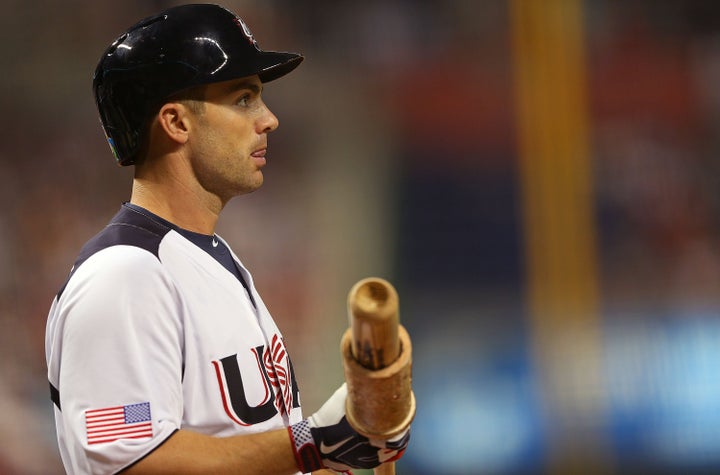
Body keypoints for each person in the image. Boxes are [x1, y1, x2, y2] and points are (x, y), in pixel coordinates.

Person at [44, 4, 409, 474]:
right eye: (243, 99)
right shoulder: (124, 276)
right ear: (176, 123)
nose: (269, 119)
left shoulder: (212, 260)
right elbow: (129, 458)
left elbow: (257, 451)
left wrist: (347, 445)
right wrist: (313, 441)